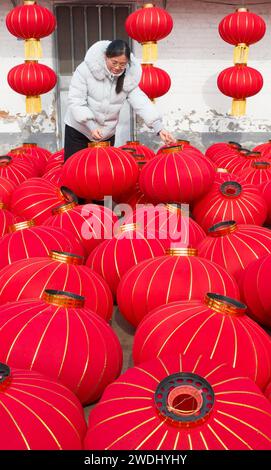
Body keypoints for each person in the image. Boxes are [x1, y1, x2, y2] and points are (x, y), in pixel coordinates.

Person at [64, 39, 176, 161]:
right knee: (74, 170)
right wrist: (90, 125)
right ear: (106, 57)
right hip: (80, 131)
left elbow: (141, 102)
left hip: (105, 134)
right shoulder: (85, 70)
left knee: (103, 174)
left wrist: (159, 127)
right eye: (114, 62)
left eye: (122, 64)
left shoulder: (129, 76)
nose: (117, 67)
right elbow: (76, 101)